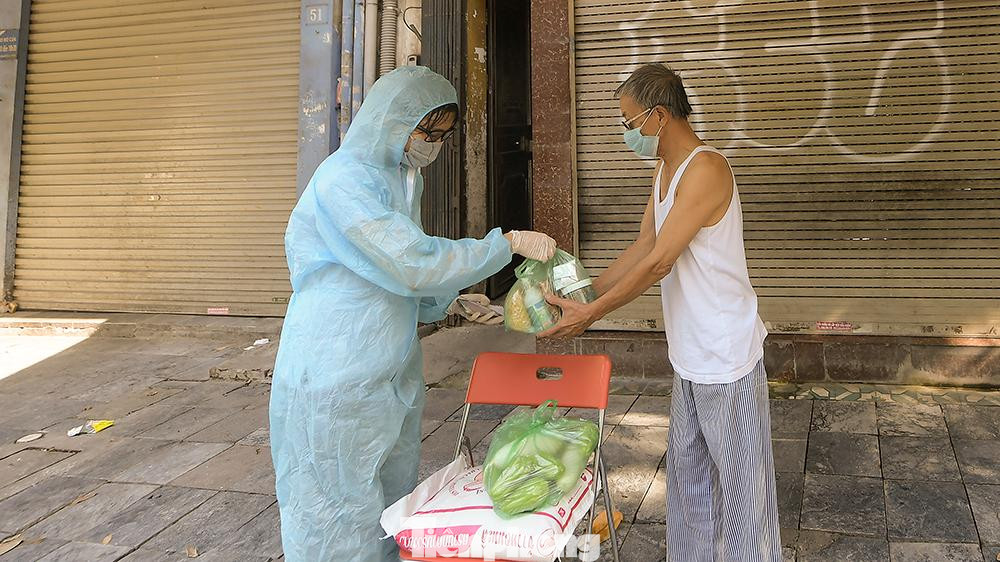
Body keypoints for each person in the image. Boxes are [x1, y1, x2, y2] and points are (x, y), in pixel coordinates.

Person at [270, 66, 556, 562]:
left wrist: (450, 300)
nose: (432, 145)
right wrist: (502, 245)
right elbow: (410, 261)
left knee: (391, 498)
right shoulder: (344, 180)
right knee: (338, 509)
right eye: (427, 132)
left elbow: (404, 275)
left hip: (390, 361)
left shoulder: (405, 179)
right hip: (335, 364)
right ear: (390, 120)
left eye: (442, 136)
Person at [539, 63, 780, 561]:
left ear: (660, 116)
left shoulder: (707, 168)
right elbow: (642, 245)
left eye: (630, 123)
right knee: (691, 487)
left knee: (742, 495)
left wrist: (592, 315)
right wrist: (582, 291)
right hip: (690, 354)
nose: (627, 133)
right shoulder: (664, 168)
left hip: (726, 357)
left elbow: (659, 263)